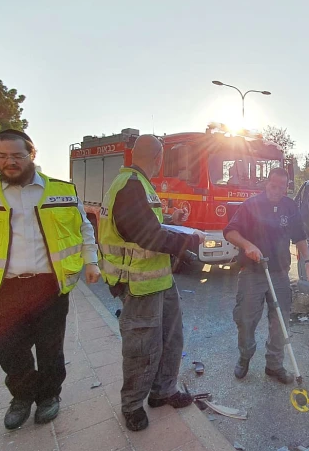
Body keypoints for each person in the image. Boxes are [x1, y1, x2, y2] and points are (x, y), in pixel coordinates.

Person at [0, 129, 101, 430]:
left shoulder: (61, 190)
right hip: (1, 289)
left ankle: (49, 397)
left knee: (50, 349)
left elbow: (84, 229)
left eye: (17, 155)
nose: (9, 162)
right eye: (2, 156)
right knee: (8, 349)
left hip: (48, 286)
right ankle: (22, 396)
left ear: (32, 155)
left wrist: (92, 261)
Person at [97, 134, 205, 432]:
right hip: (138, 283)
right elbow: (149, 237)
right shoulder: (131, 186)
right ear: (158, 158)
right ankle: (132, 405)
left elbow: (146, 224)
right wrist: (191, 240)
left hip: (159, 279)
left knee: (172, 337)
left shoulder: (136, 184)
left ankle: (163, 391)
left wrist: (172, 217)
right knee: (142, 348)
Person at [224, 167, 309, 384]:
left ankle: (274, 365)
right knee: (246, 320)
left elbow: (300, 236)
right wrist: (248, 245)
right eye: (274, 186)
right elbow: (230, 232)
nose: (277, 190)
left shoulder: (290, 206)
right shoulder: (251, 205)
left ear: (287, 186)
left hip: (280, 273)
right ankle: (245, 357)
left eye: (282, 187)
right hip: (252, 274)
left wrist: (307, 260)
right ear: (267, 184)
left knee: (280, 322)